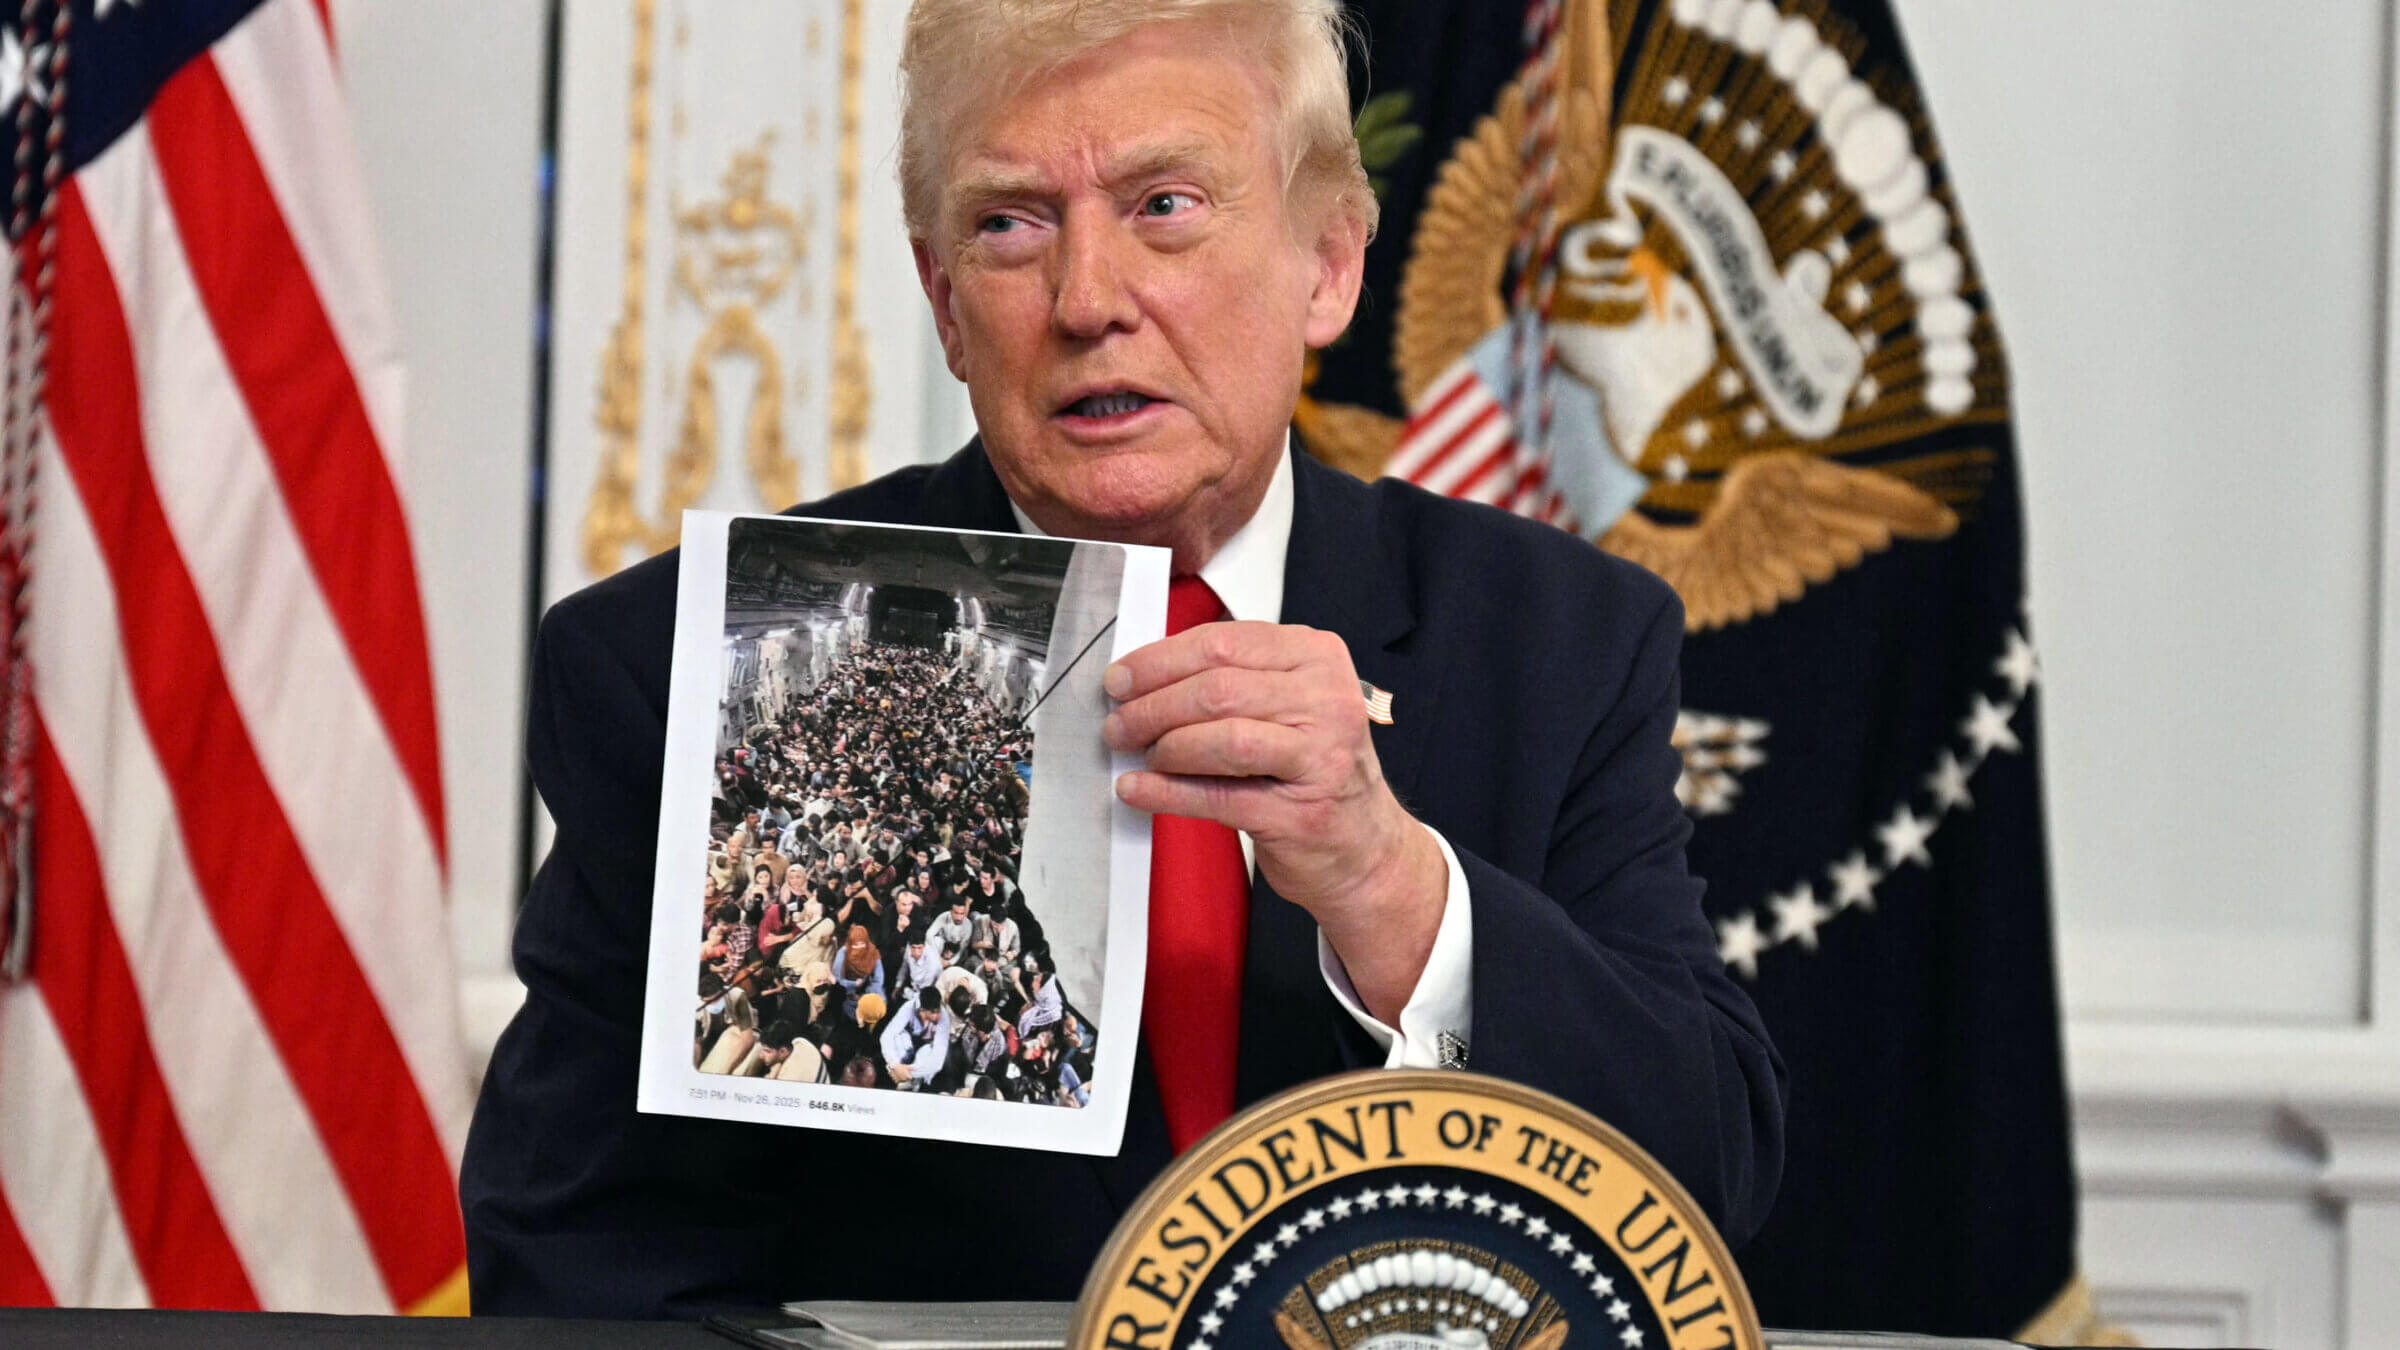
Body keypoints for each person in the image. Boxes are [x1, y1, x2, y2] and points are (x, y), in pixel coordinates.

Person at [463, 0, 1782, 1318]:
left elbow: (1706, 1173)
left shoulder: (1558, 640)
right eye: (1009, 224)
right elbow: (584, 1278)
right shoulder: (680, 665)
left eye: (1165, 205)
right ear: (944, 306)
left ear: (1328, 264)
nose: (1088, 300)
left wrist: (1392, 885)